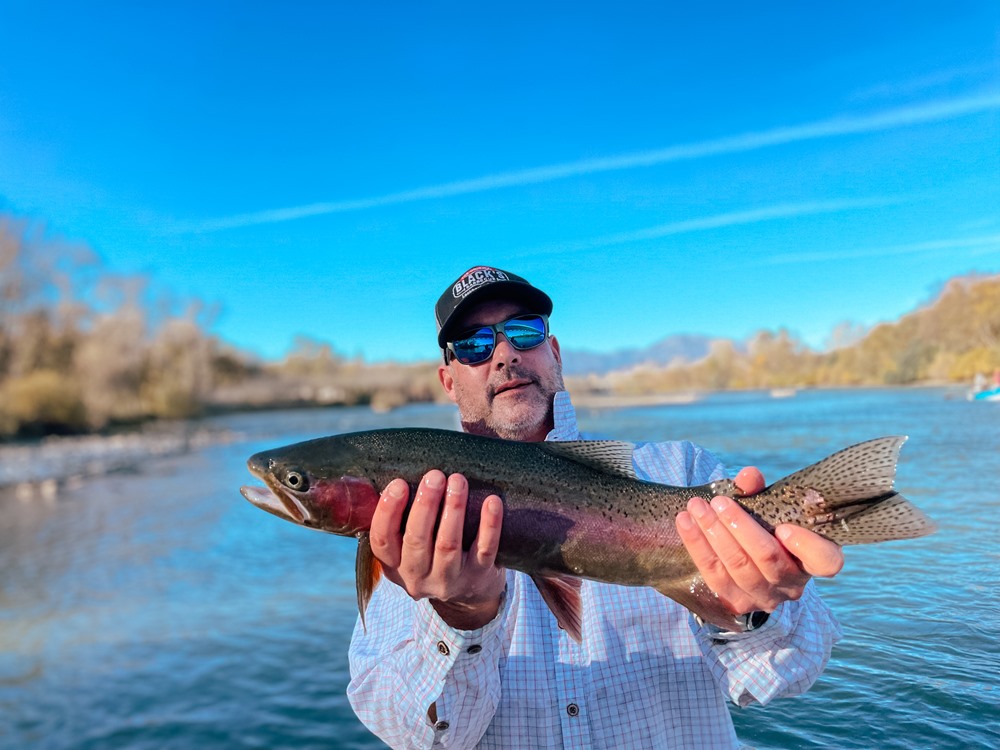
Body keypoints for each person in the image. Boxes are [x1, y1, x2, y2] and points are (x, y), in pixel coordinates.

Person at [348, 266, 844, 749]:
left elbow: (785, 674)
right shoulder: (408, 531)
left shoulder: (681, 473)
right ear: (449, 380)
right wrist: (461, 617)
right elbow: (421, 739)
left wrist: (754, 610)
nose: (504, 356)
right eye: (475, 345)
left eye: (523, 332)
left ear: (554, 352)